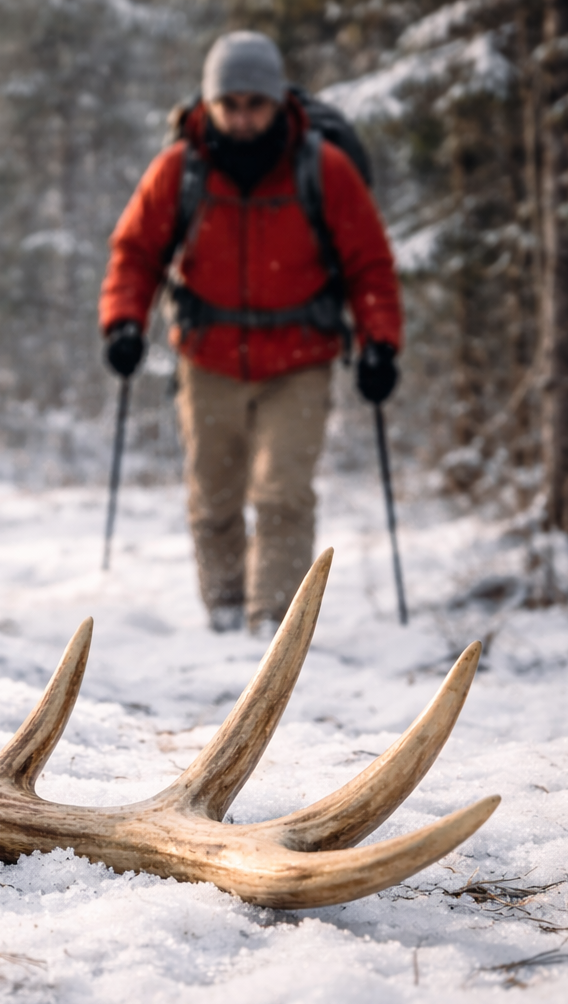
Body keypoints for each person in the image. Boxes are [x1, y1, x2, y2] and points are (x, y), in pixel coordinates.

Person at [98, 30, 403, 634]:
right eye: (228, 104)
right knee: (213, 500)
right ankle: (225, 611)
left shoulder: (325, 169)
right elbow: (136, 253)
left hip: (301, 358)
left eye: (254, 104)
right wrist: (123, 323)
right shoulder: (179, 170)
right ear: (208, 103)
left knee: (282, 494)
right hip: (207, 359)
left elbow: (370, 264)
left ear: (277, 101)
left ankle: (272, 625)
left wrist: (380, 345)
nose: (241, 118)